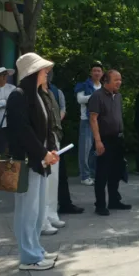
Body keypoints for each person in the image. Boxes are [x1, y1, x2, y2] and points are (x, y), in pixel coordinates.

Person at [6, 53, 61, 271]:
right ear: (33, 72)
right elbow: (23, 131)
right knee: (27, 211)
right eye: (43, 70)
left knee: (37, 211)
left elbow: (45, 128)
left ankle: (35, 249)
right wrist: (42, 152)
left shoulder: (38, 95)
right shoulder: (18, 96)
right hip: (27, 161)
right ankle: (29, 257)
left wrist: (50, 150)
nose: (46, 73)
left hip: (39, 161)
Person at [88, 69, 129, 216]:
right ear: (106, 80)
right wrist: (98, 141)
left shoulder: (118, 96)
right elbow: (93, 119)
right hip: (105, 139)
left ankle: (114, 200)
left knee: (116, 172)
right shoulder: (97, 96)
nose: (119, 82)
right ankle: (100, 205)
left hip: (118, 138)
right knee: (102, 173)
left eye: (120, 79)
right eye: (116, 79)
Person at [48, 78, 84, 216]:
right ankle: (47, 210)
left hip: (56, 134)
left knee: (61, 173)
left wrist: (58, 119)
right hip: (43, 138)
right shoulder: (32, 92)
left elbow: (62, 108)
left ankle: (65, 203)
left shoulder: (56, 91)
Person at [40, 71, 68, 235]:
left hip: (53, 139)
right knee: (43, 181)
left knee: (53, 179)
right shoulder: (33, 94)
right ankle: (42, 219)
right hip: (41, 142)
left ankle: (51, 214)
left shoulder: (51, 92)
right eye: (44, 73)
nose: (47, 76)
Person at [74, 63, 104, 185]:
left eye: (99, 71)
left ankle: (93, 174)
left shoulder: (103, 87)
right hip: (86, 120)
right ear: (91, 73)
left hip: (100, 121)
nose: (97, 73)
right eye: (94, 70)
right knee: (85, 149)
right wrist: (96, 96)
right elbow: (80, 99)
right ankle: (84, 176)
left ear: (102, 73)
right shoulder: (83, 85)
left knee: (96, 149)